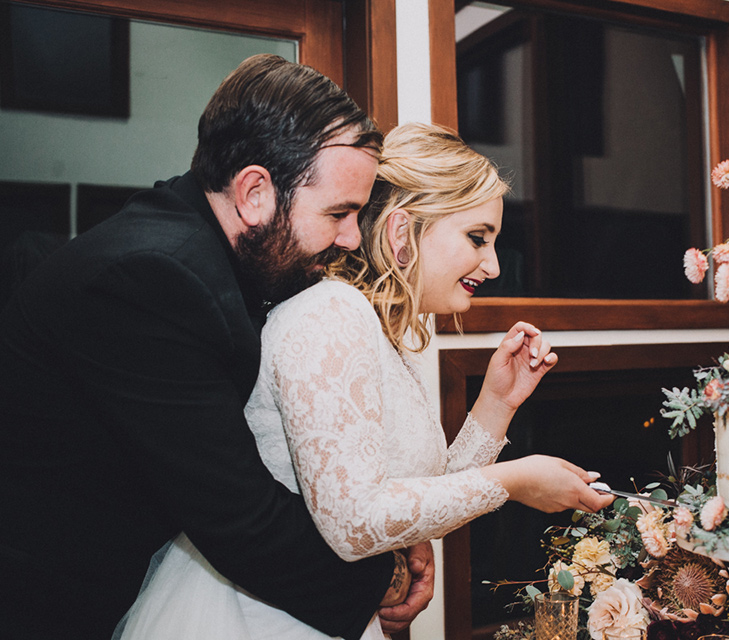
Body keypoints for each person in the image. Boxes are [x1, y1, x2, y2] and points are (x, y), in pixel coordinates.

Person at [116, 122, 615, 639]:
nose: (491, 265)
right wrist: (515, 481)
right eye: (476, 238)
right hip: (257, 616)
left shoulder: (379, 331)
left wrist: (497, 402)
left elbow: (419, 503)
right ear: (402, 233)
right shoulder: (331, 313)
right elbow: (355, 523)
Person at [0, 54, 422, 640]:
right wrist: (383, 577)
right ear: (254, 192)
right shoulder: (152, 278)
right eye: (339, 213)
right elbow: (238, 516)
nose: (352, 238)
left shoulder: (214, 252)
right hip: (49, 601)